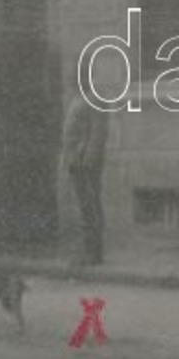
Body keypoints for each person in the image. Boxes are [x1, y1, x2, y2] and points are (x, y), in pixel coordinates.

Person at [62, 93, 109, 266]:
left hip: (86, 164)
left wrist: (88, 162)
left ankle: (94, 252)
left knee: (90, 207)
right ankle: (86, 250)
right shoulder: (77, 99)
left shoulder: (96, 100)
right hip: (76, 161)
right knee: (84, 208)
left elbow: (98, 135)